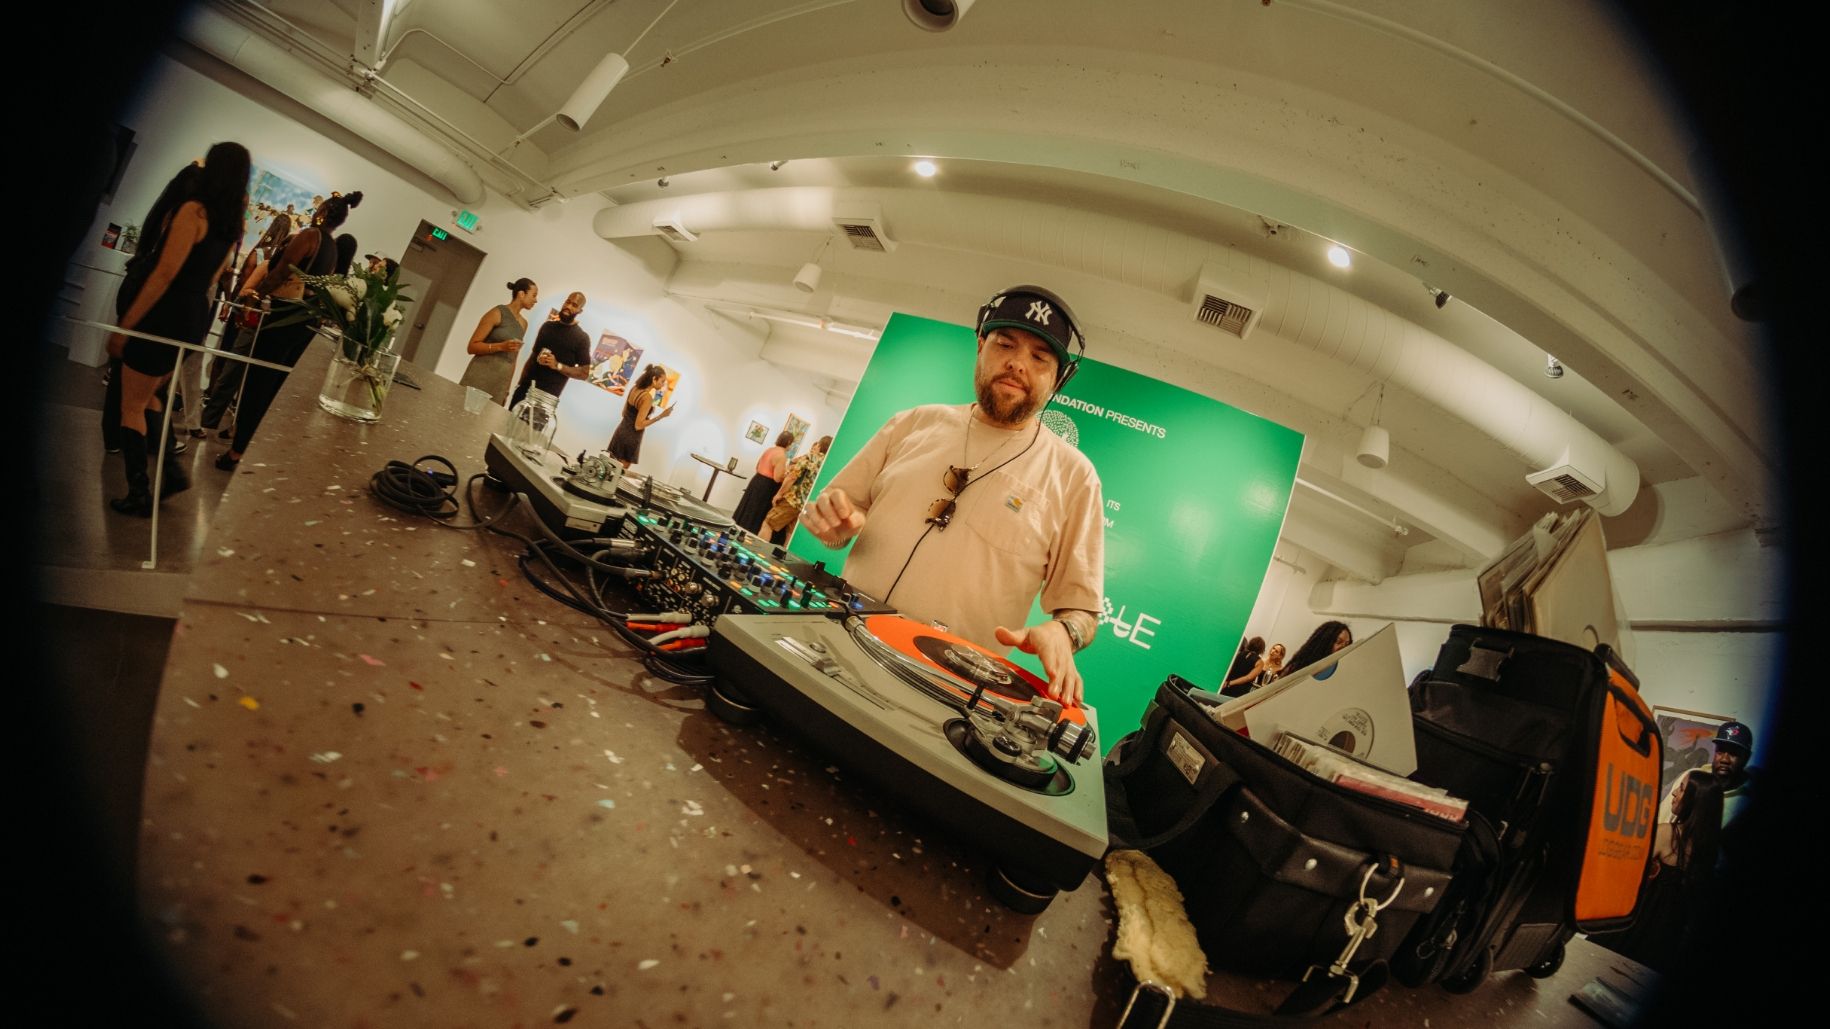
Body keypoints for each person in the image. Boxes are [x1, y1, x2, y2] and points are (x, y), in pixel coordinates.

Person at [800, 285, 1104, 706]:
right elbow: (838, 523)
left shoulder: (1075, 476)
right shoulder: (911, 424)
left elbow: (1081, 611)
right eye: (1005, 344)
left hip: (944, 690)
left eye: (1040, 357)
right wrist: (835, 527)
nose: (1017, 363)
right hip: (837, 642)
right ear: (981, 346)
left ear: (1059, 378)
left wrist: (1064, 632)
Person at [106, 142, 249, 515]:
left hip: (165, 313)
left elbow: (164, 273)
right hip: (192, 316)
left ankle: (139, 492)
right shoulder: (232, 223)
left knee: (131, 404)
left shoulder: (194, 211)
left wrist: (126, 325)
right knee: (152, 394)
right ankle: (170, 470)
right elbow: (215, 276)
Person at [217, 190, 364, 470]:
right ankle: (247, 444)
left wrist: (256, 295)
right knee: (270, 387)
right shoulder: (331, 246)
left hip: (285, 317)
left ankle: (236, 453)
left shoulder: (311, 235)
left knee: (257, 385)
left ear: (321, 213)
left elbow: (283, 270)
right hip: (302, 322)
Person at [1589, 767, 1725, 972]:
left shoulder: (1666, 834)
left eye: (1681, 789)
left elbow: (1628, 873)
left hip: (1631, 929)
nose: (1675, 794)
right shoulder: (1709, 851)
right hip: (1666, 940)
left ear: (1693, 799)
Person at [457, 278, 537, 405]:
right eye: (534, 295)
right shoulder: (497, 312)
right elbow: (472, 347)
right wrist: (501, 346)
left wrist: (506, 390)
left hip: (500, 384)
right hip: (480, 376)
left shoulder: (524, 324)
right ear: (521, 294)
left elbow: (513, 358)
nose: (535, 300)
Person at [507, 291, 592, 410]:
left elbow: (585, 373)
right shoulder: (547, 326)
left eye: (574, 305)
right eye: (567, 302)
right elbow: (533, 357)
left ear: (580, 311)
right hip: (525, 390)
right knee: (508, 424)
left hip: (546, 398)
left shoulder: (582, 338)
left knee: (530, 429)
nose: (568, 306)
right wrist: (520, 385)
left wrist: (557, 365)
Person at [763, 435, 832, 543]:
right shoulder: (827, 464)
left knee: (768, 523)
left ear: (819, 445)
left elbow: (792, 477)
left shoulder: (810, 457)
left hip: (793, 500)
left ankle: (756, 554)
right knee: (790, 536)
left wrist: (779, 494)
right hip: (807, 505)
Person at [605, 363, 675, 469]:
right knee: (617, 475)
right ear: (654, 379)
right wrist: (661, 416)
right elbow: (638, 425)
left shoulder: (634, 388)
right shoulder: (647, 397)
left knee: (608, 470)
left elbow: (624, 413)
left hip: (620, 432)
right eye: (662, 381)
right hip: (631, 438)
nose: (662, 385)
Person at [732, 430, 795, 532]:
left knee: (748, 506)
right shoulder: (782, 455)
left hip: (756, 480)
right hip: (767, 486)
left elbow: (757, 466)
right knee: (757, 511)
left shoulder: (769, 450)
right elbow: (777, 477)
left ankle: (737, 527)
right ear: (788, 443)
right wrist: (787, 476)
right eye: (792, 443)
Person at [1277, 621, 1352, 680]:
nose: (1343, 647)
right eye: (1338, 641)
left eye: (1346, 644)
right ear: (1325, 642)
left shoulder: (1339, 673)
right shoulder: (1298, 667)